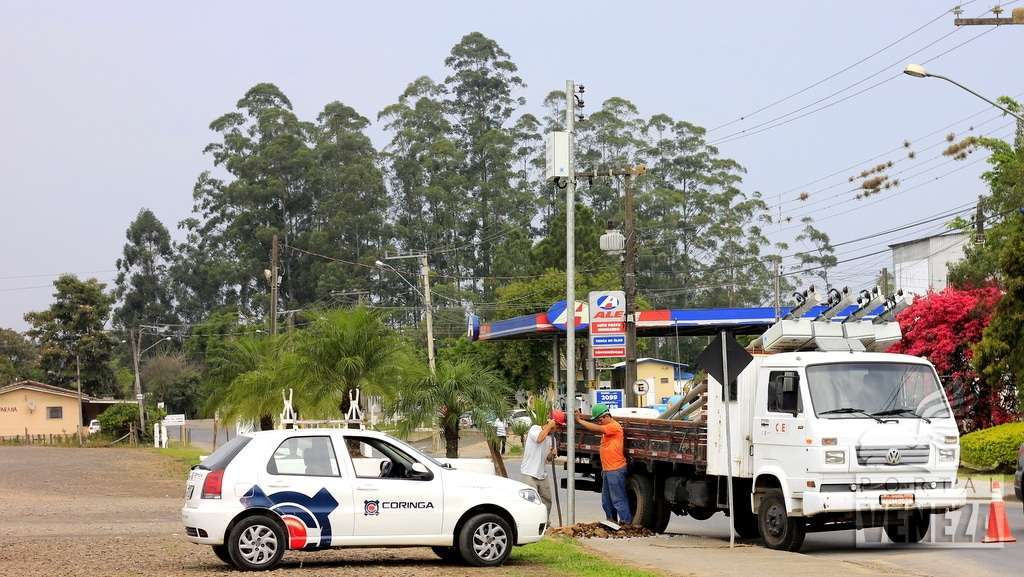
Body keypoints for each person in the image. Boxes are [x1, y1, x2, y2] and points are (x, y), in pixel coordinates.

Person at [575, 403, 632, 525]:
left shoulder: (614, 426)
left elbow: (596, 428)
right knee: (606, 501)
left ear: (606, 416)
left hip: (616, 469)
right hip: (607, 470)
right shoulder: (607, 430)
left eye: (599, 420)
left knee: (618, 499)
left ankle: (626, 524)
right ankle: (611, 522)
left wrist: (580, 421)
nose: (599, 423)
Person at [520, 410, 563, 518]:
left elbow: (548, 459)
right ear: (551, 422)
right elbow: (539, 439)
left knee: (547, 501)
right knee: (530, 502)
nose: (558, 428)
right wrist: (549, 425)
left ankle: (545, 523)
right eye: (557, 425)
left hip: (541, 474)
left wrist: (552, 455)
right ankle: (530, 523)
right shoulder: (535, 429)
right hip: (529, 473)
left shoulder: (552, 439)